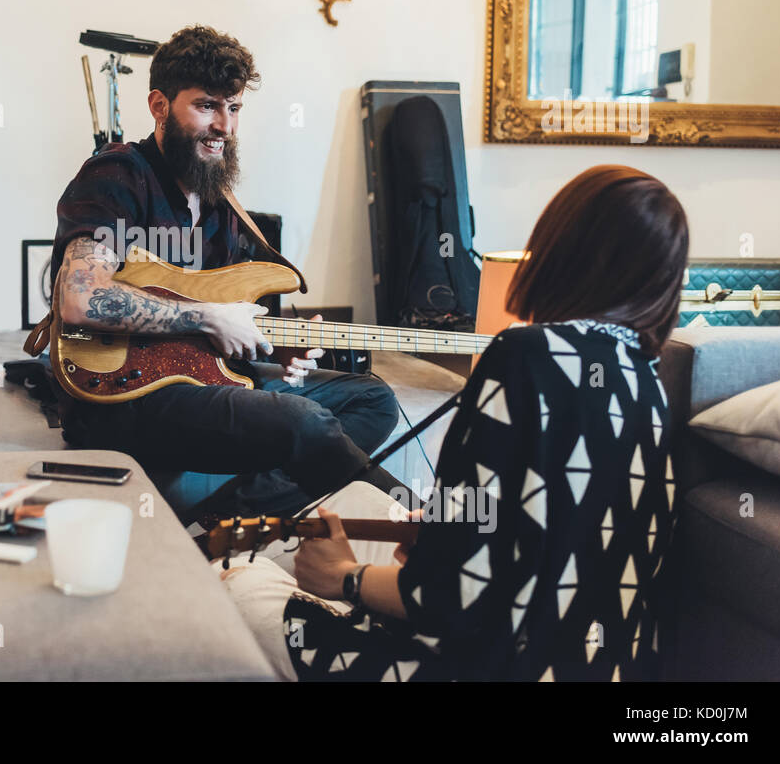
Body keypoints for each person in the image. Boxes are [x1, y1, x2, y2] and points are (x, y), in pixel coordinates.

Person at [222, 165, 689, 681]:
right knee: (358, 499)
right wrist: (442, 535)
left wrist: (345, 578)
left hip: (473, 665)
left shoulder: (524, 356)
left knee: (239, 582)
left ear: (560, 246)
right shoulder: (652, 388)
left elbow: (453, 599)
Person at [45, 24, 403, 517]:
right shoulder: (118, 176)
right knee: (302, 421)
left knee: (374, 400)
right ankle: (414, 522)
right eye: (207, 105)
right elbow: (81, 300)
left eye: (233, 108)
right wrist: (210, 317)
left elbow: (230, 317)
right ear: (159, 106)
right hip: (120, 397)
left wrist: (277, 344)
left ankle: (228, 519)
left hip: (204, 377)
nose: (225, 126)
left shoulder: (220, 202)